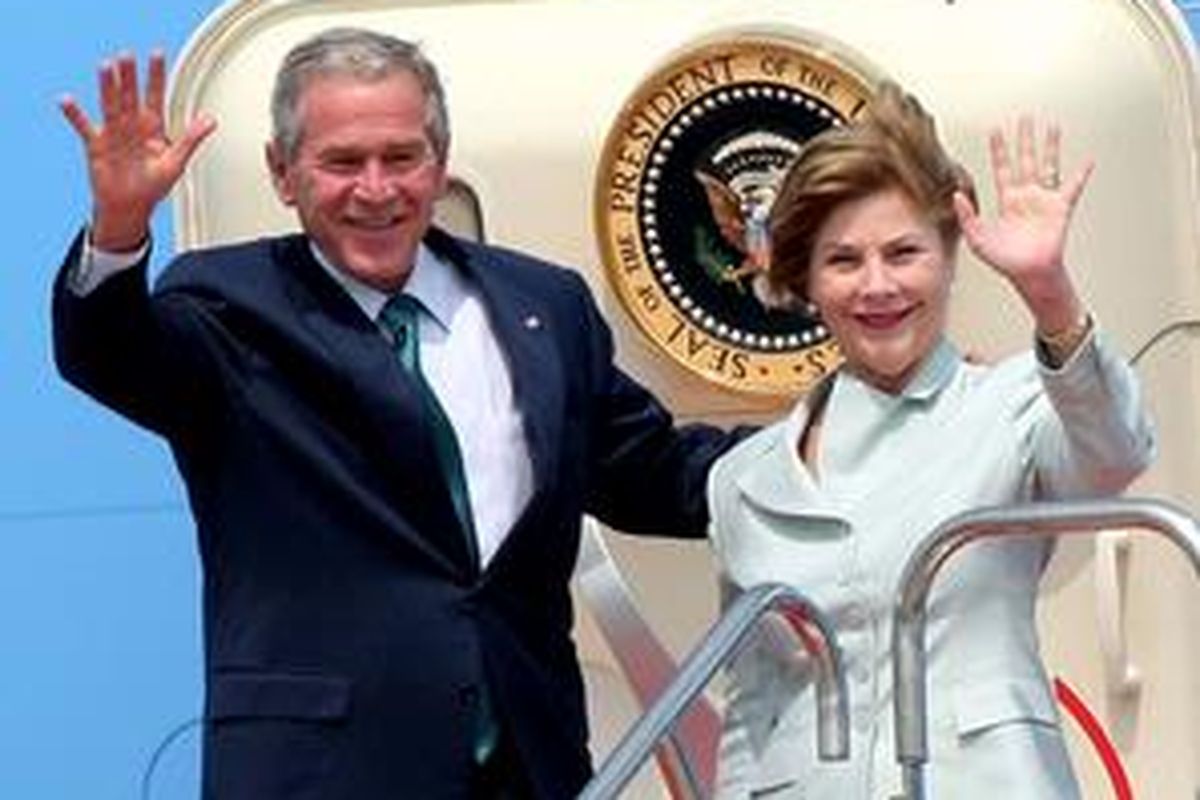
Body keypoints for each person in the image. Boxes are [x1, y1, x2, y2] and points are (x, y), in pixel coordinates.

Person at [52, 27, 743, 800]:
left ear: (439, 163)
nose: (376, 189)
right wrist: (118, 232)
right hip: (324, 771)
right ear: (284, 173)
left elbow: (654, 473)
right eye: (342, 162)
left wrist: (825, 449)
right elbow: (110, 353)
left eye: (401, 158)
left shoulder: (543, 305)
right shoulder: (229, 305)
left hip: (526, 762)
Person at [706, 82, 1155, 799]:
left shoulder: (1012, 406)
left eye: (903, 252)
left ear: (949, 258)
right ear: (807, 283)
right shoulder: (742, 478)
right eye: (844, 261)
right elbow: (751, 708)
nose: (876, 285)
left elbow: (1116, 449)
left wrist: (1049, 292)